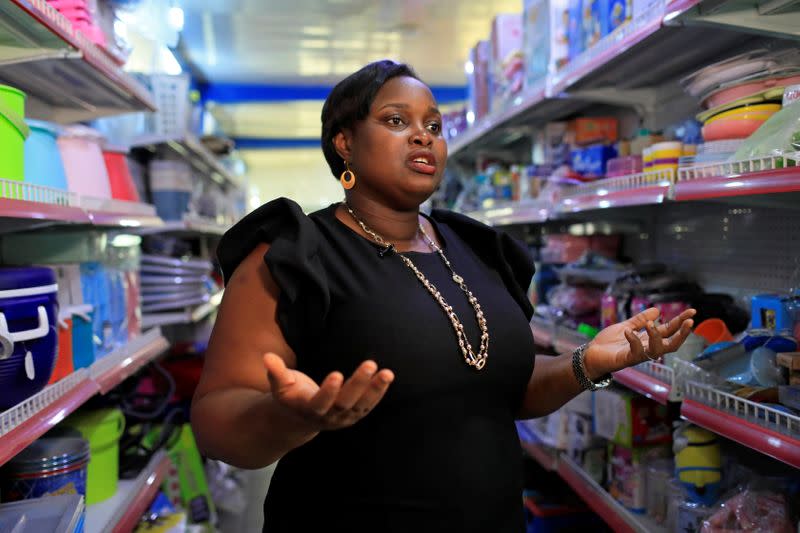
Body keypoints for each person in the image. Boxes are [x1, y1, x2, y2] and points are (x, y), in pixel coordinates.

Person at [191, 60, 695, 533]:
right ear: (344, 143)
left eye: (433, 126)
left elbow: (501, 391)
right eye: (395, 120)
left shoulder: (478, 248)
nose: (422, 136)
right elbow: (216, 420)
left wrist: (587, 362)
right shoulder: (294, 257)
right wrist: (290, 418)